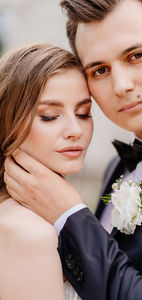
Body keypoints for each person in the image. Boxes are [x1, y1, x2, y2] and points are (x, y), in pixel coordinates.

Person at [4, 0, 142, 299]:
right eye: (99, 70)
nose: (121, 85)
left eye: (136, 56)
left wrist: (69, 215)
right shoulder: (119, 166)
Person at [0, 43, 93, 299]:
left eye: (84, 113)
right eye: (50, 116)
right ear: (10, 121)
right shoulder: (30, 233)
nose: (76, 129)